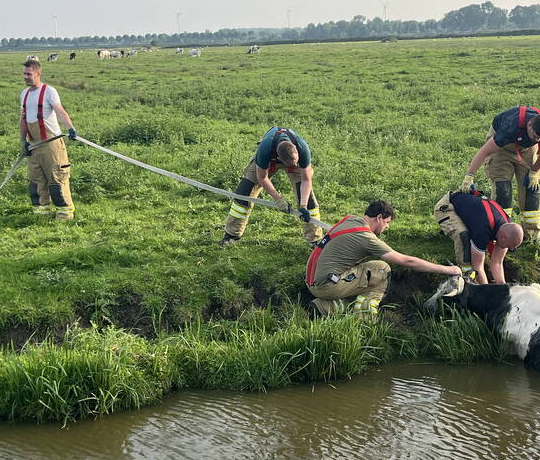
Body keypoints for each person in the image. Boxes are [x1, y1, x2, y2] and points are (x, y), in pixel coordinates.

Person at [306, 200, 462, 318]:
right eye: (387, 222)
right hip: (327, 286)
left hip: (313, 281)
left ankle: (323, 305)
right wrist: (448, 269)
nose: (387, 227)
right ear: (379, 217)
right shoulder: (366, 238)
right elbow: (407, 262)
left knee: (370, 268)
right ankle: (364, 316)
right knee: (381, 269)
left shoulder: (350, 219)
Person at [459, 105, 540, 240]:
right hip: (502, 148)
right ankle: (502, 232)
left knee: (532, 189)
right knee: (503, 190)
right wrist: (469, 176)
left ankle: (531, 235)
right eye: (535, 136)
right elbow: (484, 152)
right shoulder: (510, 127)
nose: (537, 140)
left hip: (526, 148)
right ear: (529, 125)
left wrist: (534, 171)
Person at [222, 126, 322, 247]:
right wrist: (278, 199)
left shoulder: (302, 149)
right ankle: (232, 235)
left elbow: (306, 179)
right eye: (292, 164)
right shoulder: (265, 150)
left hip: (290, 156)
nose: (295, 164)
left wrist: (303, 206)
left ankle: (314, 240)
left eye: (296, 161)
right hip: (269, 160)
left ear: (295, 149)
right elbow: (262, 178)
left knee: (308, 199)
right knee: (244, 192)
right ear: (279, 159)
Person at [20, 59, 78, 220]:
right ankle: (42, 214)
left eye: (28, 74)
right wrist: (22, 141)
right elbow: (22, 119)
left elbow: (60, 111)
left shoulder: (49, 91)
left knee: (56, 178)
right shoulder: (24, 94)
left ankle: (64, 214)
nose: (25, 77)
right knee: (36, 180)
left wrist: (71, 128)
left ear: (38, 74)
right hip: (33, 145)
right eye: (24, 74)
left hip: (51, 144)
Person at [433, 190, 523, 285]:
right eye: (508, 247)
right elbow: (477, 267)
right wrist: (486, 290)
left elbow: (497, 262)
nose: (508, 249)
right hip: (448, 207)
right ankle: (465, 275)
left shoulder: (507, 227)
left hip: (471, 209)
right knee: (463, 235)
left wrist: (502, 286)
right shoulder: (483, 230)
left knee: (472, 233)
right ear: (503, 237)